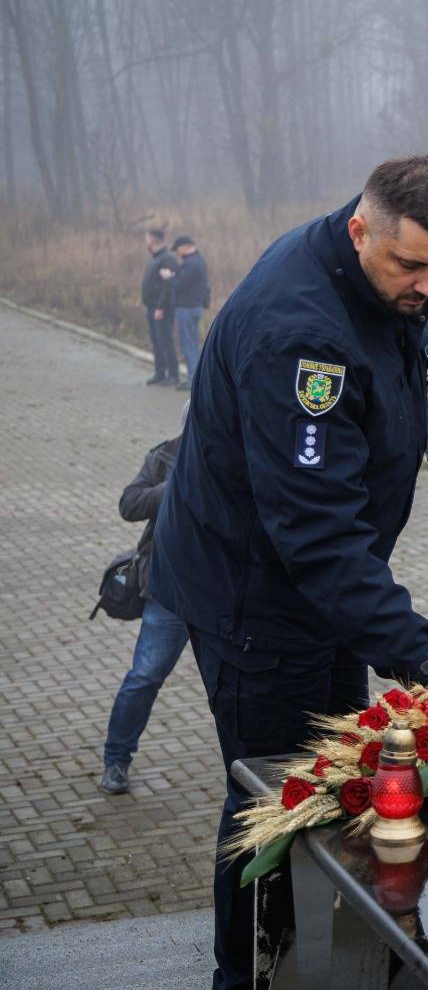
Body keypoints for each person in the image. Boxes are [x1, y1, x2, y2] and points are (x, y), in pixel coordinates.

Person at [147, 155, 428, 990]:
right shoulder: (302, 335)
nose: (427, 285)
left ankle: (321, 954)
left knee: (337, 783)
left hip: (322, 599)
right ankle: (249, 971)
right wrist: (424, 661)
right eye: (411, 265)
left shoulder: (373, 282)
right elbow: (313, 530)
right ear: (358, 229)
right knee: (273, 804)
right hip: (255, 604)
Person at [99, 404, 190, 795]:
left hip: (222, 595)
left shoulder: (237, 457)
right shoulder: (166, 455)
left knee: (238, 685)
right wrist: (173, 489)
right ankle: (116, 760)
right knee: (145, 676)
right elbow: (129, 503)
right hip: (167, 589)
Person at [169, 234, 211, 389]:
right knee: (193, 343)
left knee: (188, 344)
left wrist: (170, 278)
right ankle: (197, 377)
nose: (177, 253)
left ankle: (192, 378)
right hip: (196, 306)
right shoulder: (200, 261)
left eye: (177, 249)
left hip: (187, 308)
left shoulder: (190, 264)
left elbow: (180, 285)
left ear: (185, 247)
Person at [139, 228, 180, 385]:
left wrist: (160, 307)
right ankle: (159, 373)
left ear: (153, 240)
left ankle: (173, 374)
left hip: (161, 309)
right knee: (156, 342)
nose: (145, 241)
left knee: (165, 341)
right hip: (151, 308)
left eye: (147, 238)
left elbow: (167, 287)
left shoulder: (167, 258)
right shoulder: (155, 258)